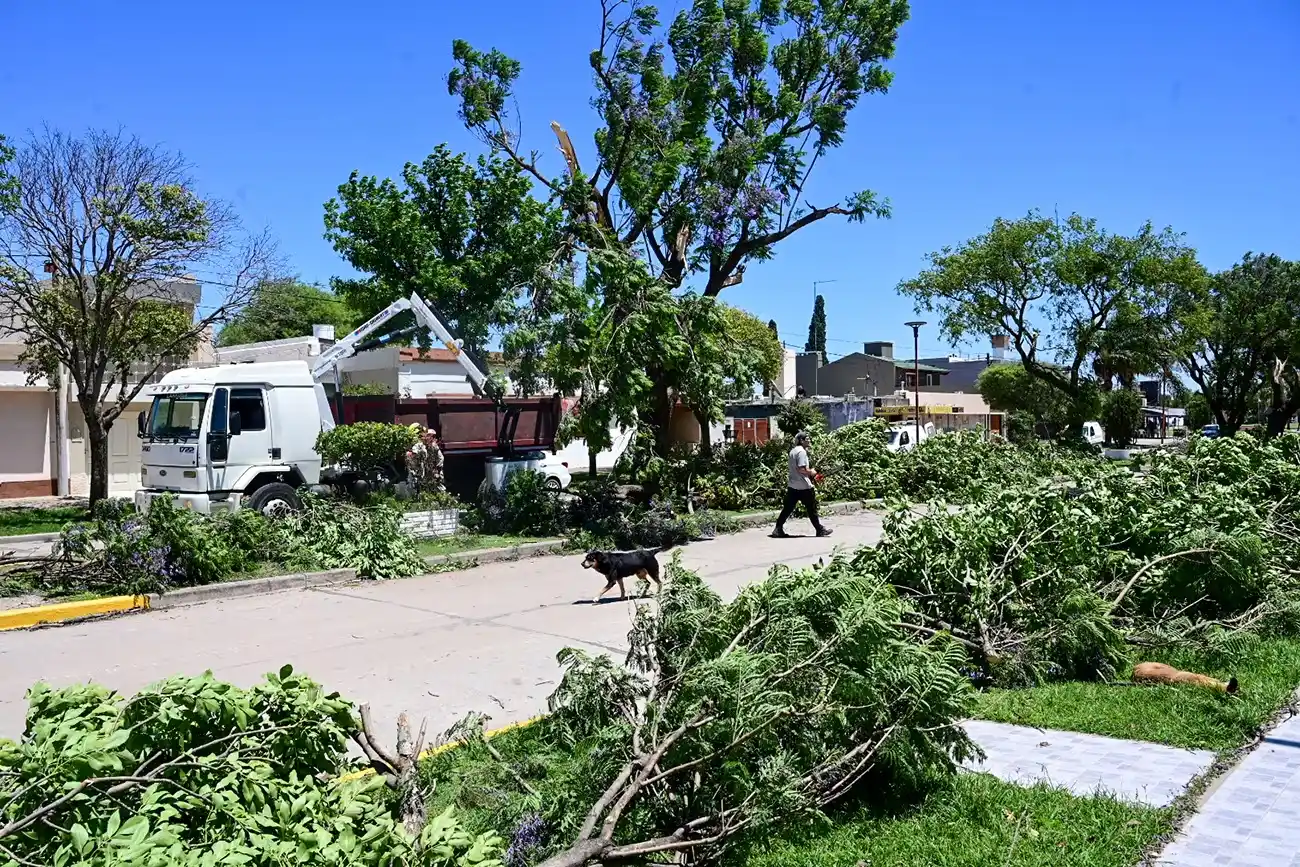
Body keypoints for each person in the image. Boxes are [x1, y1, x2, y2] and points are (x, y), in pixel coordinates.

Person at [771, 431, 832, 538]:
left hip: (793, 485)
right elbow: (801, 469)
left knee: (787, 508)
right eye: (806, 439)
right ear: (801, 441)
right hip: (804, 486)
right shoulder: (802, 452)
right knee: (811, 509)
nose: (809, 440)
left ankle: (778, 528)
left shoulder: (793, 451)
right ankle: (819, 530)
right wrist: (812, 473)